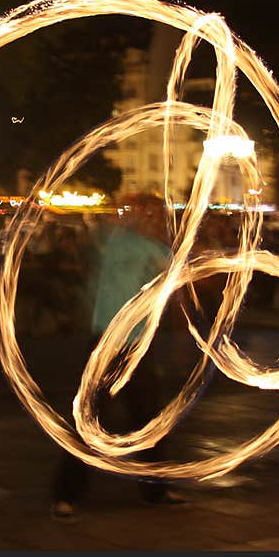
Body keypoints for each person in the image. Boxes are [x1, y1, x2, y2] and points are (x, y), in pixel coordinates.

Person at [51, 194, 185, 523]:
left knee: (148, 420)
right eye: (146, 212)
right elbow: (91, 235)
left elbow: (179, 286)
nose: (151, 218)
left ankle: (155, 489)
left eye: (156, 214)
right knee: (87, 418)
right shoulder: (112, 239)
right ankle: (66, 495)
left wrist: (182, 332)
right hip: (104, 344)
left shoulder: (158, 250)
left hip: (138, 346)